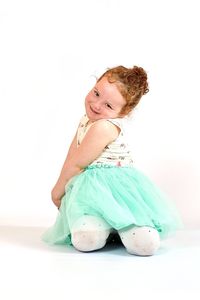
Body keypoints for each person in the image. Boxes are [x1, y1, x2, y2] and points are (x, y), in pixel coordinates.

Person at [43, 65, 182, 256]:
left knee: (144, 243)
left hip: (115, 188)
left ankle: (127, 228)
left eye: (108, 105)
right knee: (85, 238)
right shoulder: (86, 120)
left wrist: (57, 192)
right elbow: (73, 155)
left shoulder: (104, 127)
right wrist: (62, 186)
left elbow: (77, 165)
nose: (96, 105)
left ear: (123, 113)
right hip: (91, 187)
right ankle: (103, 228)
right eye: (96, 93)